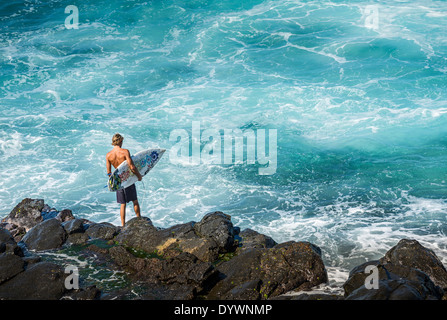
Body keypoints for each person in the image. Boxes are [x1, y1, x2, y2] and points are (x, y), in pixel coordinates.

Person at [106, 133, 143, 226]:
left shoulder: (108, 155)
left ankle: (123, 225)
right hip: (128, 179)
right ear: (120, 141)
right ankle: (139, 220)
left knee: (123, 204)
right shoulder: (125, 152)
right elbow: (132, 167)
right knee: (135, 201)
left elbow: (109, 173)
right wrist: (139, 176)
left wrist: (115, 183)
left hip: (119, 181)